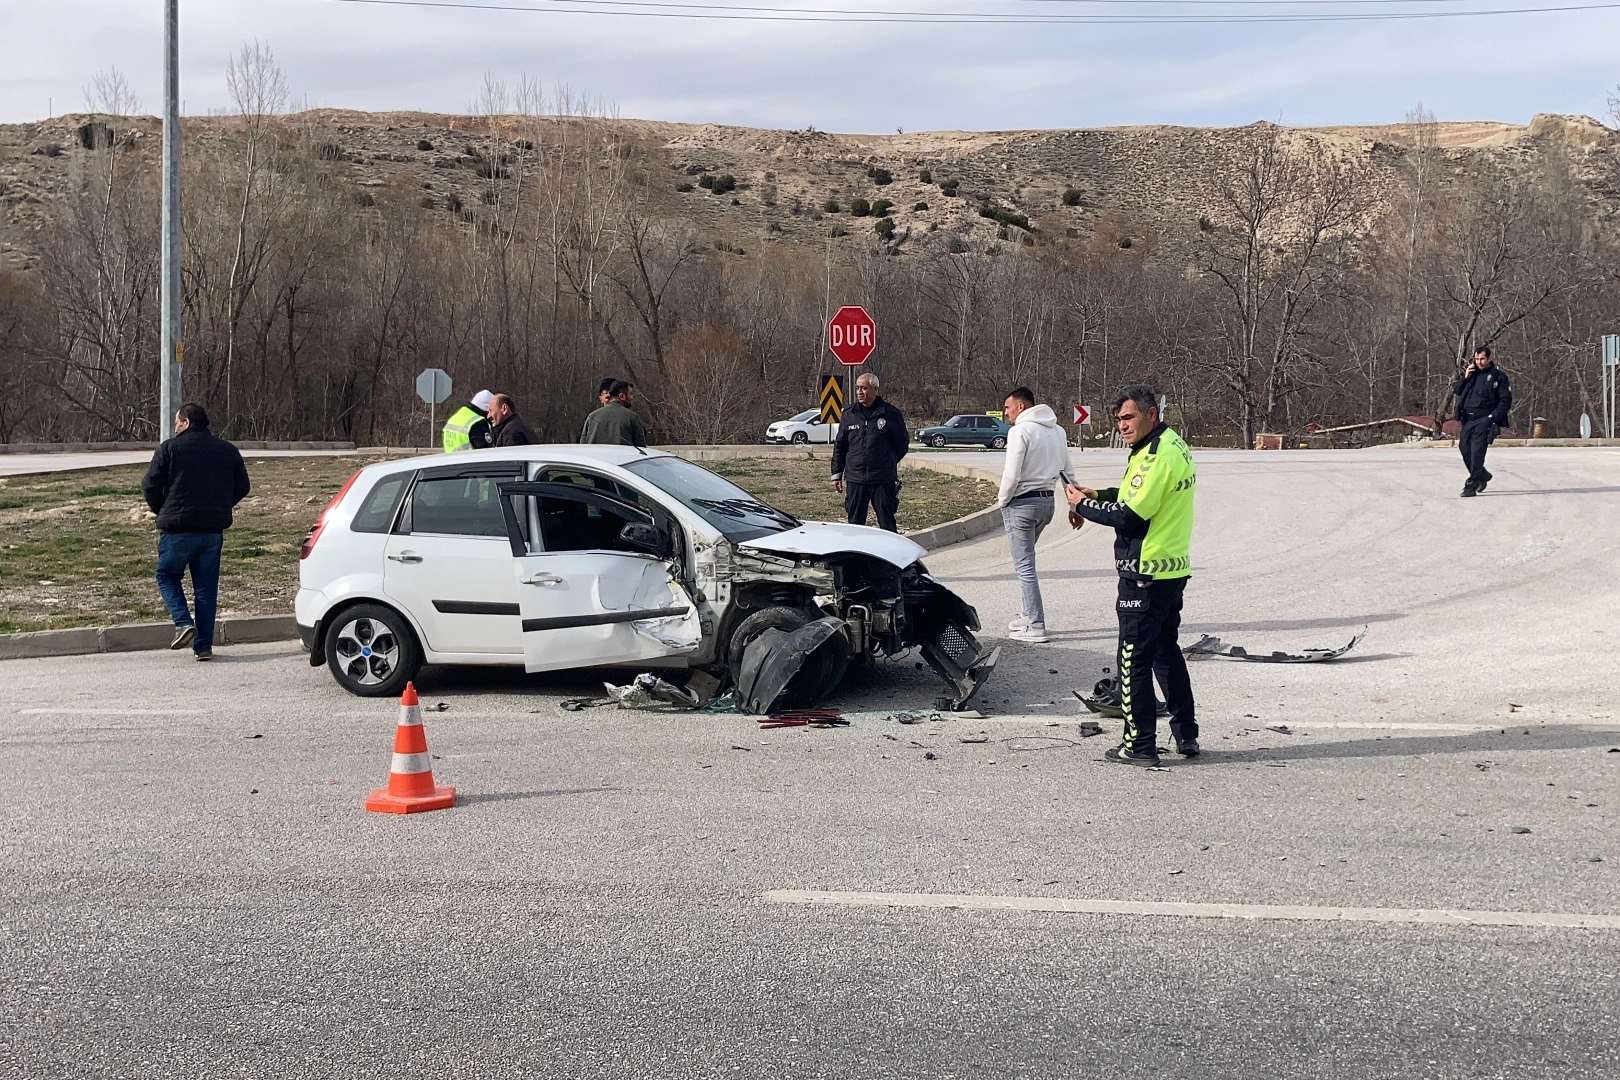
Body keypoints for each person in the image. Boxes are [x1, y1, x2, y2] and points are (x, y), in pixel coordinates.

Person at [1065, 386, 1198, 767]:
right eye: (1119, 420)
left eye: (1129, 418)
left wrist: (1082, 504)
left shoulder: (1155, 456)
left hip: (1145, 572)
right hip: (1171, 569)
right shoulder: (1170, 444)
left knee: (1132, 659)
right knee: (1165, 652)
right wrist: (1098, 494)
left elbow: (1130, 516)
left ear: (1151, 414)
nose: (1122, 426)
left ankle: (1139, 745)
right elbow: (1133, 497)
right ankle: (1185, 733)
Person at [140, 403, 251, 662]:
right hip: (212, 531)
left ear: (187, 422)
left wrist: (163, 509)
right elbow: (243, 486)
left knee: (166, 575)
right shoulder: (228, 450)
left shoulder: (169, 448)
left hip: (177, 530)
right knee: (205, 589)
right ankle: (203, 647)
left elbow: (150, 485)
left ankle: (183, 622)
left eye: (177, 422)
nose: (175, 427)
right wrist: (221, 505)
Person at [997, 387, 1073, 644]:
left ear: (1021, 406)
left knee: (1025, 565)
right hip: (1047, 503)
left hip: (1021, 504)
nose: (1005, 413)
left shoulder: (1020, 431)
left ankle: (1036, 623)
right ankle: (1027, 614)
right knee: (1026, 560)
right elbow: (1068, 472)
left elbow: (1012, 473)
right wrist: (1075, 508)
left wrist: (1002, 501)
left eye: (1007, 408)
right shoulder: (1058, 431)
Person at [830, 372, 908, 531]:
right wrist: (836, 473)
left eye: (864, 388)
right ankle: (857, 555)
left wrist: (888, 461)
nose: (860, 392)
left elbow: (902, 444)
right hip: (855, 478)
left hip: (882, 479)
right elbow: (840, 445)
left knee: (887, 523)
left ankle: (889, 554)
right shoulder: (849, 414)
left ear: (875, 390)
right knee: (855, 525)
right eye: (858, 388)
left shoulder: (890, 414)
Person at [1453, 345, 1512, 497]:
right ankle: (1483, 476)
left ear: (1489, 359)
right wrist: (1465, 377)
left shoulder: (1499, 377)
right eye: (1477, 359)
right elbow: (1457, 390)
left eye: (1482, 359)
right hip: (1468, 419)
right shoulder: (1471, 375)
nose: (1479, 362)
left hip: (1484, 420)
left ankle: (1471, 485)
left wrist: (1492, 418)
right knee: (1465, 449)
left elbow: (1505, 401)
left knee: (1477, 453)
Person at [581, 380, 648, 447]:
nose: (632, 397)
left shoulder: (592, 417)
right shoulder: (632, 417)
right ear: (622, 396)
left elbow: (582, 448)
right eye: (630, 394)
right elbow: (641, 449)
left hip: (595, 457)